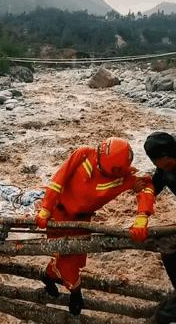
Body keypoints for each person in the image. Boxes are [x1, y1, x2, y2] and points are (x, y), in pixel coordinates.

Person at [35, 137, 155, 315]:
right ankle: (75, 292)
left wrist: (142, 217)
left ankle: (49, 276)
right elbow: (58, 179)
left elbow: (146, 186)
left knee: (73, 258)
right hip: (58, 214)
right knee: (65, 255)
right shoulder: (83, 154)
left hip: (82, 222)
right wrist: (45, 208)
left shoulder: (122, 176)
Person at [142, 132, 176, 324]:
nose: (163, 164)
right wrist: (141, 186)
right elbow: (154, 186)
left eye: (166, 161)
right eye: (159, 162)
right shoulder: (164, 169)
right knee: (167, 248)